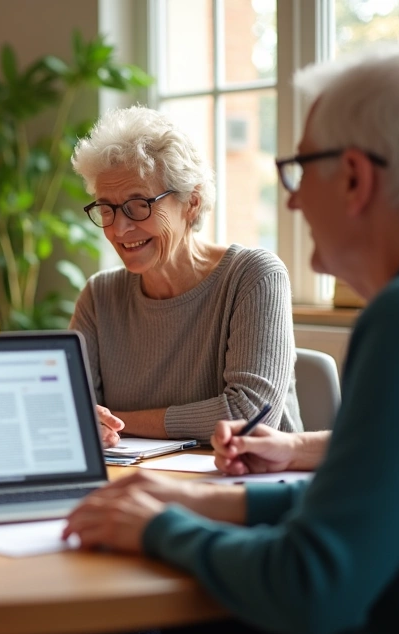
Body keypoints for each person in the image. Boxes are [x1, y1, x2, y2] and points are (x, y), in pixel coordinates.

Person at [64, 46, 399, 634]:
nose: (293, 200)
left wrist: (157, 526)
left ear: (354, 176)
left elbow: (311, 584)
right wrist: (200, 501)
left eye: (301, 171)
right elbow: (369, 497)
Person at [68, 106, 301, 447]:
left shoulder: (253, 277)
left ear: (190, 202)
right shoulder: (99, 296)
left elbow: (249, 415)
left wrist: (119, 421)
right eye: (106, 208)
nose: (119, 228)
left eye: (138, 204)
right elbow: (71, 411)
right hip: (140, 483)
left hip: (247, 485)